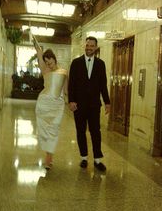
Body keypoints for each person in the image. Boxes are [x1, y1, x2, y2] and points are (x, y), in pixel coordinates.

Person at [68, 36, 110, 172]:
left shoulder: (100, 64)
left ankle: (98, 160)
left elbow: (103, 85)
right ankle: (84, 158)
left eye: (92, 46)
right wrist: (71, 101)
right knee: (80, 131)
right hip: (78, 105)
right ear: (84, 46)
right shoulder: (76, 63)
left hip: (94, 105)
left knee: (95, 132)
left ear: (96, 48)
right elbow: (71, 84)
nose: (89, 48)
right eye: (87, 45)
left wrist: (107, 102)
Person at [32, 35, 68, 169]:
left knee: (54, 129)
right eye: (46, 63)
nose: (48, 65)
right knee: (45, 131)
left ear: (54, 59)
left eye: (50, 62)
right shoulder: (45, 70)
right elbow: (39, 52)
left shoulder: (64, 72)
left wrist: (70, 102)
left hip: (57, 105)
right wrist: (34, 40)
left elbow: (65, 90)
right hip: (44, 104)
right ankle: (48, 158)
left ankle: (49, 156)